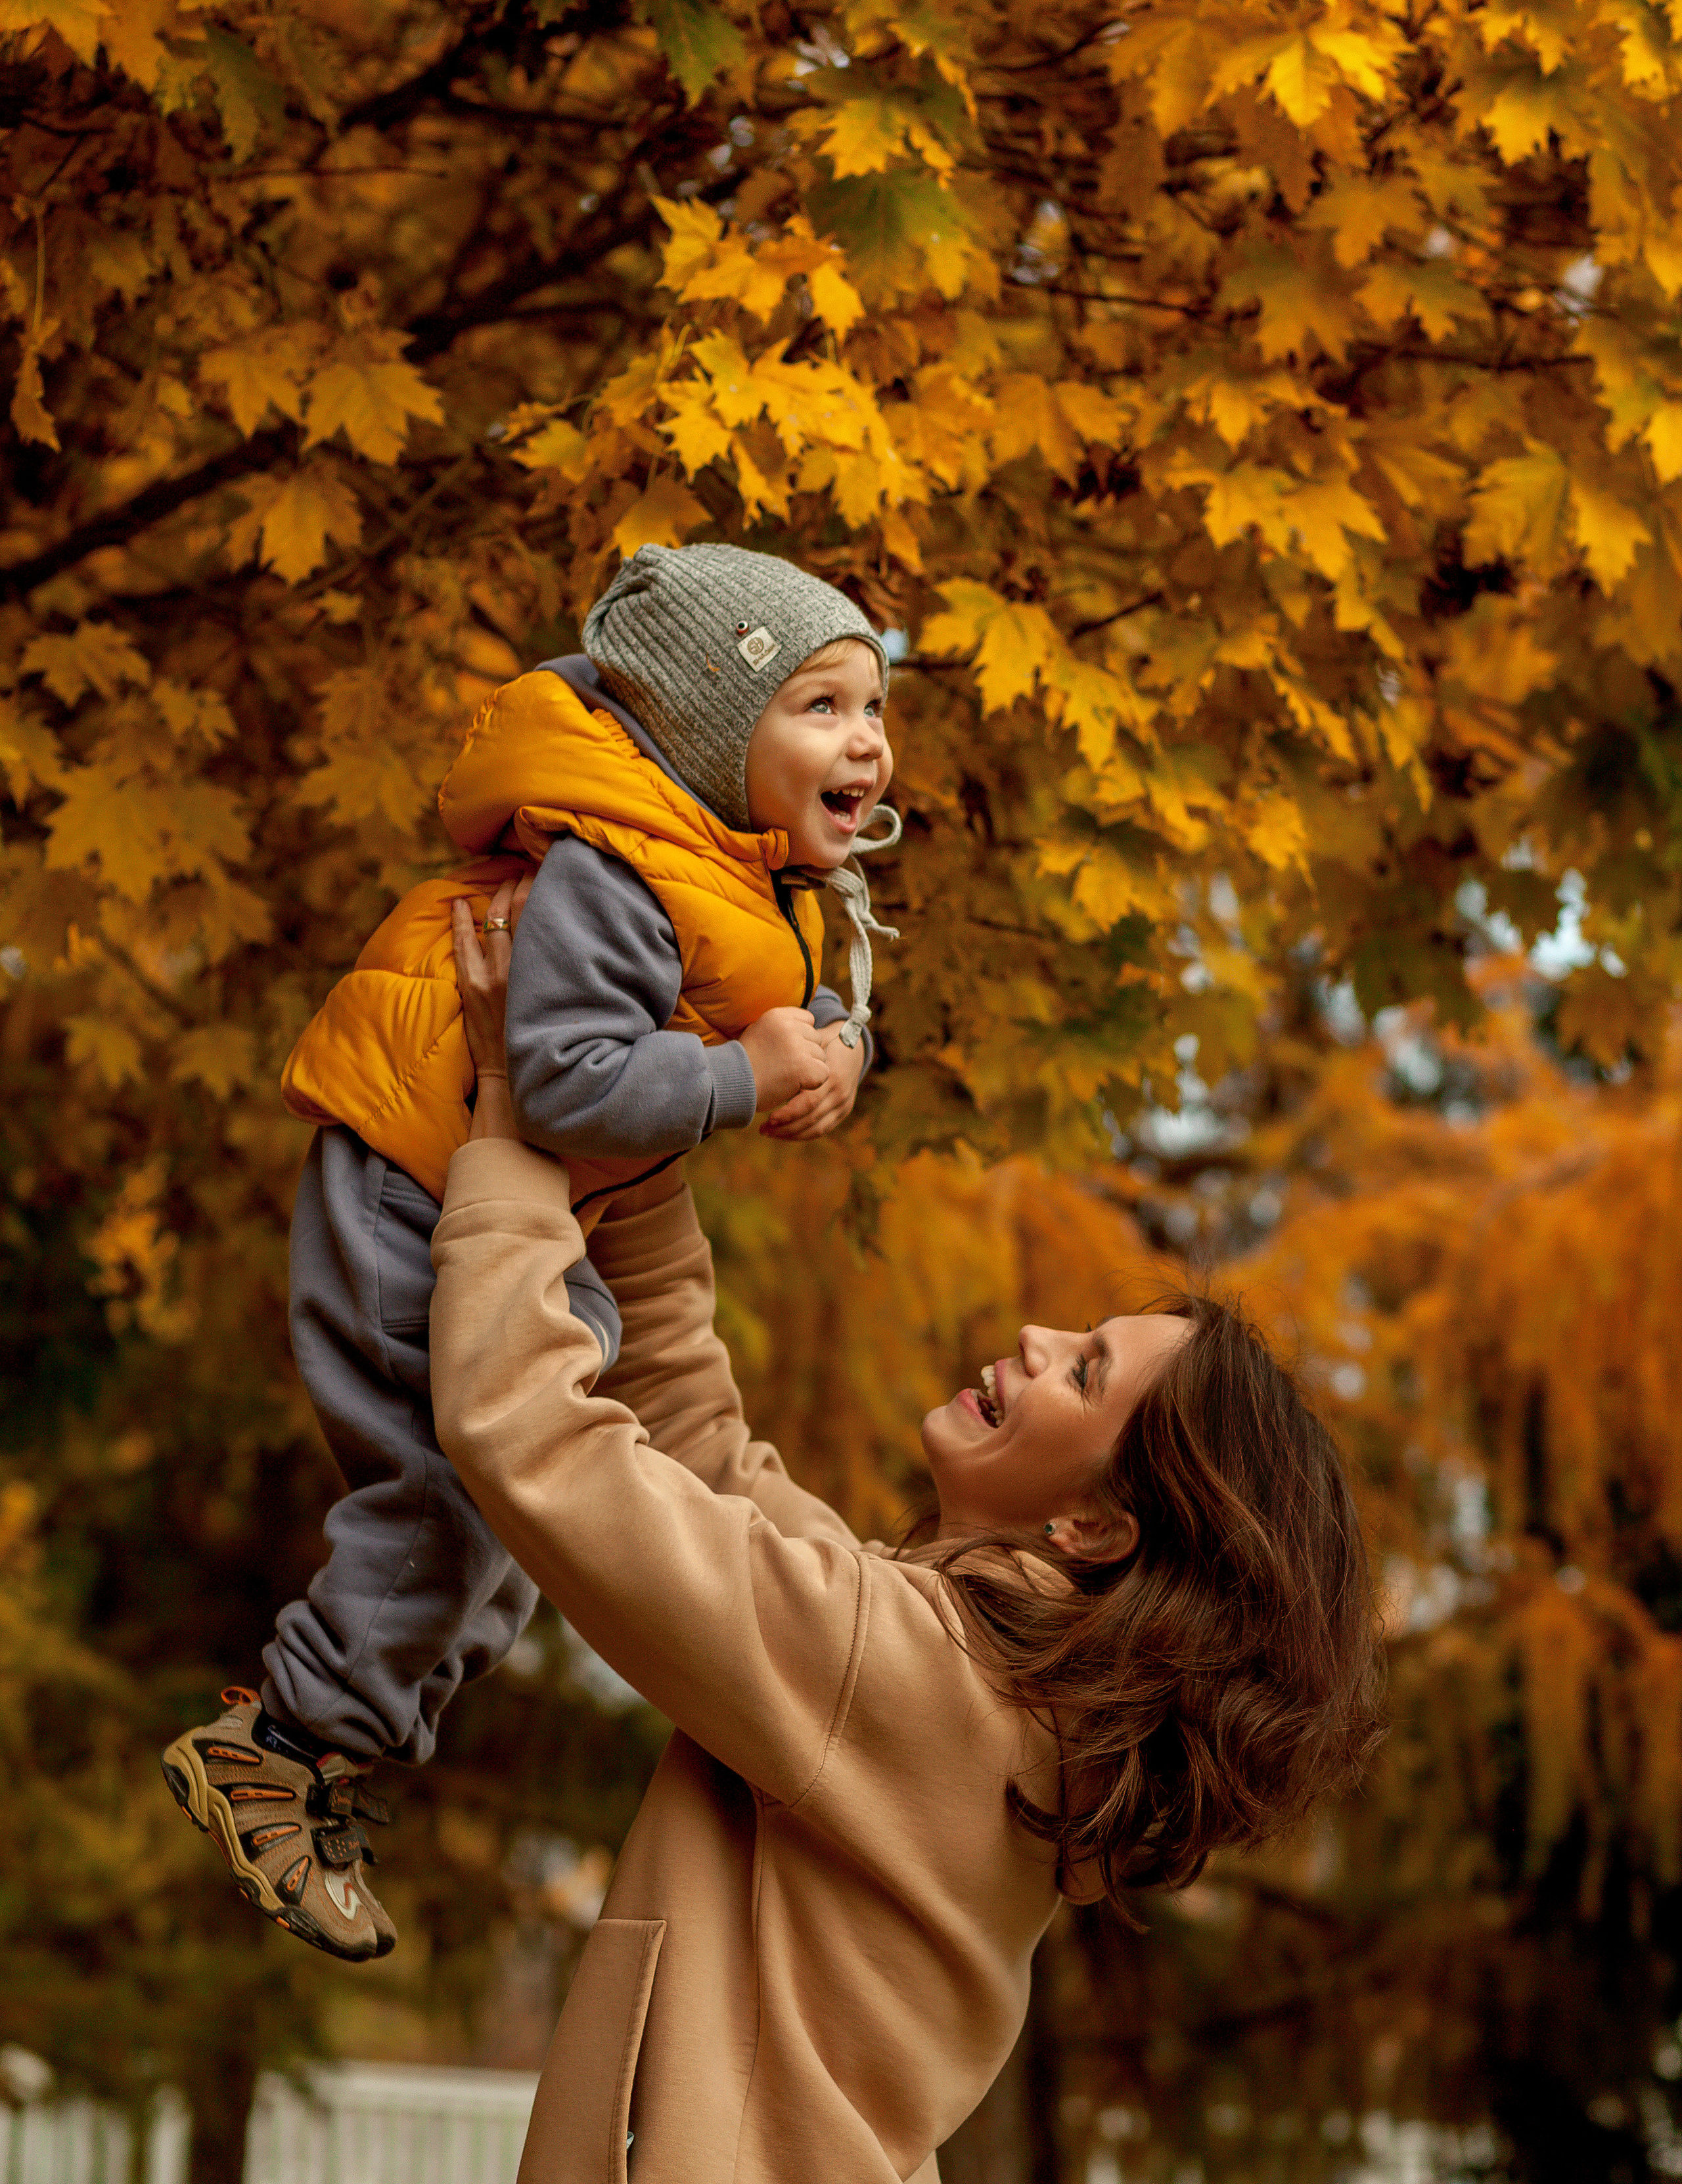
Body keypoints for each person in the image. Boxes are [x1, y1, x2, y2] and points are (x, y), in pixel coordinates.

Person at [412, 901, 1385, 2184]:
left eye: (1085, 1373)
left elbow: (532, 1440)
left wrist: (506, 1116)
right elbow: (702, 1447)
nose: (1038, 1340)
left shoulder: (914, 1678)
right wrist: (626, 1118)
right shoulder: (968, 1684)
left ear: (1094, 1524)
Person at [160, 545, 901, 1961]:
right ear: (703, 729)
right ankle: (286, 1747)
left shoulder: (727, 865)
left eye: (871, 704)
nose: (863, 740)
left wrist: (820, 1056)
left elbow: (745, 1019)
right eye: (817, 704)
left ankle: (318, 1754)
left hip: (498, 1197)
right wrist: (743, 1077)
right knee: (460, 1482)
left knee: (524, 1507)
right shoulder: (614, 872)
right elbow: (560, 1080)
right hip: (414, 1186)